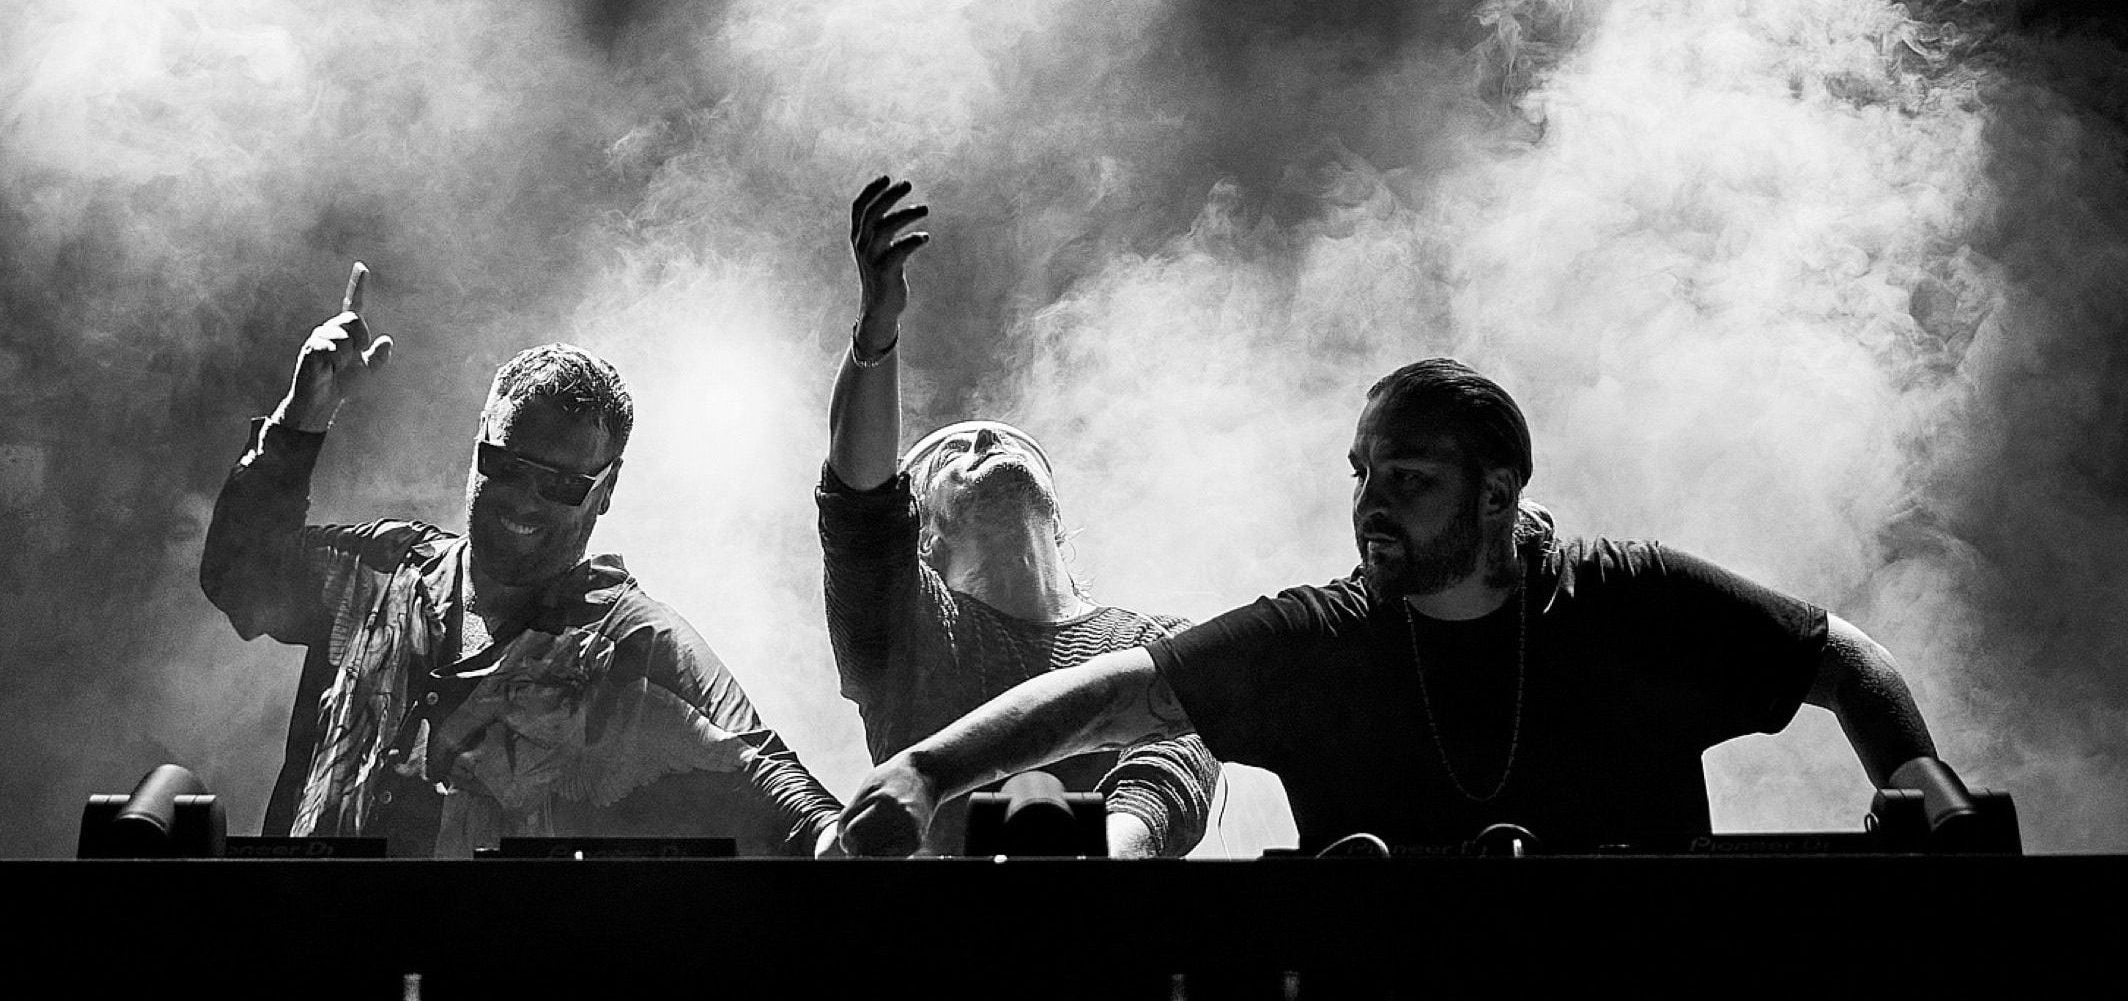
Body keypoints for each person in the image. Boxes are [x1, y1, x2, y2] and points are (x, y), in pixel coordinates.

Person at [838, 357, 1976, 856]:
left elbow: (1843, 658)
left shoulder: (1629, 599)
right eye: (1362, 475)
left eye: (1409, 479)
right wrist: (930, 770)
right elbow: (1124, 694)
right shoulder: (1326, 635)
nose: (1372, 504)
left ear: (1497, 492)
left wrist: (1922, 793)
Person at [204, 263, 841, 856]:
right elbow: (238, 576)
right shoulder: (384, 569)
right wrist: (302, 418)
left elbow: (775, 789)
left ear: (607, 490)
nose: (524, 500)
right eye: (505, 466)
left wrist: (846, 837)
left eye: (561, 484)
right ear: (478, 443)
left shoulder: (634, 645)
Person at [818, 177, 1218, 856]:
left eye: (1008, 439)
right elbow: (859, 511)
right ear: (923, 539)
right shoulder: (909, 627)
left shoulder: (1155, 639)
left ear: (1055, 515)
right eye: (949, 455)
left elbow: (1163, 780)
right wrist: (877, 328)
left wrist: (1092, 871)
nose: (983, 436)